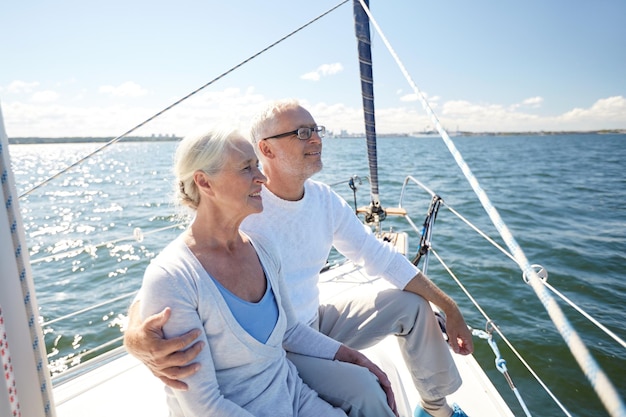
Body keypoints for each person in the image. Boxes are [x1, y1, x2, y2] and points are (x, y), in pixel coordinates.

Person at [125, 100, 473, 417]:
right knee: (366, 390)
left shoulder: (321, 201)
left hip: (307, 324)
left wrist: (450, 306)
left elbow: (378, 255)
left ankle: (434, 408)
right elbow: (184, 270)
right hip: (281, 345)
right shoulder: (243, 208)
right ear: (266, 149)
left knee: (411, 305)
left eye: (317, 131)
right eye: (302, 133)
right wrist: (134, 333)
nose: (316, 140)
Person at [135, 126, 396, 416]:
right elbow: (205, 407)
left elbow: (291, 331)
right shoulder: (174, 277)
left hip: (293, 399)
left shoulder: (261, 247)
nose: (262, 177)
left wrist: (356, 359)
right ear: (204, 183)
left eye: (257, 164)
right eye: (247, 168)